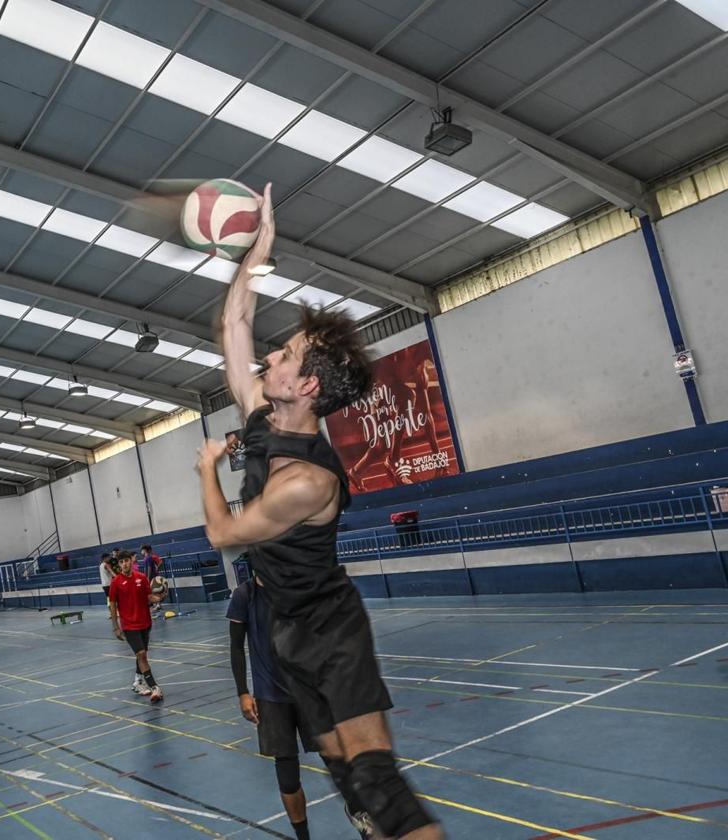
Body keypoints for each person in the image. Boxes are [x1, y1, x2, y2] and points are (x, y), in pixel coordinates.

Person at [197, 183, 440, 839]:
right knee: (348, 785)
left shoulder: (305, 481)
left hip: (333, 632)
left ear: (304, 386)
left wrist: (205, 471)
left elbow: (222, 532)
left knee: (379, 787)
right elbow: (233, 326)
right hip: (287, 631)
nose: (270, 355)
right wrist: (258, 252)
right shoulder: (261, 419)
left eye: (284, 355)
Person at [228, 577, 376, 839]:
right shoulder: (245, 595)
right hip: (271, 698)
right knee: (287, 776)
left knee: (336, 759)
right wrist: (242, 691)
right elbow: (236, 647)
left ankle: (360, 816)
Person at [107, 553, 165, 702]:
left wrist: (158, 598)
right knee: (141, 654)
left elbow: (149, 596)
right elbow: (112, 605)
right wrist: (116, 627)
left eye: (126, 561)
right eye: (121, 562)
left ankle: (138, 682)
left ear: (131, 561)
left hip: (145, 623)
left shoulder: (142, 578)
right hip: (129, 625)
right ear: (119, 564)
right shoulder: (116, 582)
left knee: (142, 654)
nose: (124, 564)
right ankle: (154, 687)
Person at [98, 552, 115, 616]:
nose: (110, 558)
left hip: (104, 585)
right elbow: (112, 573)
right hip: (109, 584)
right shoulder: (106, 565)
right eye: (108, 557)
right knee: (112, 599)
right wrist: (119, 578)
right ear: (105, 558)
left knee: (108, 599)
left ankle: (111, 613)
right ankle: (113, 613)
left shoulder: (101, 565)